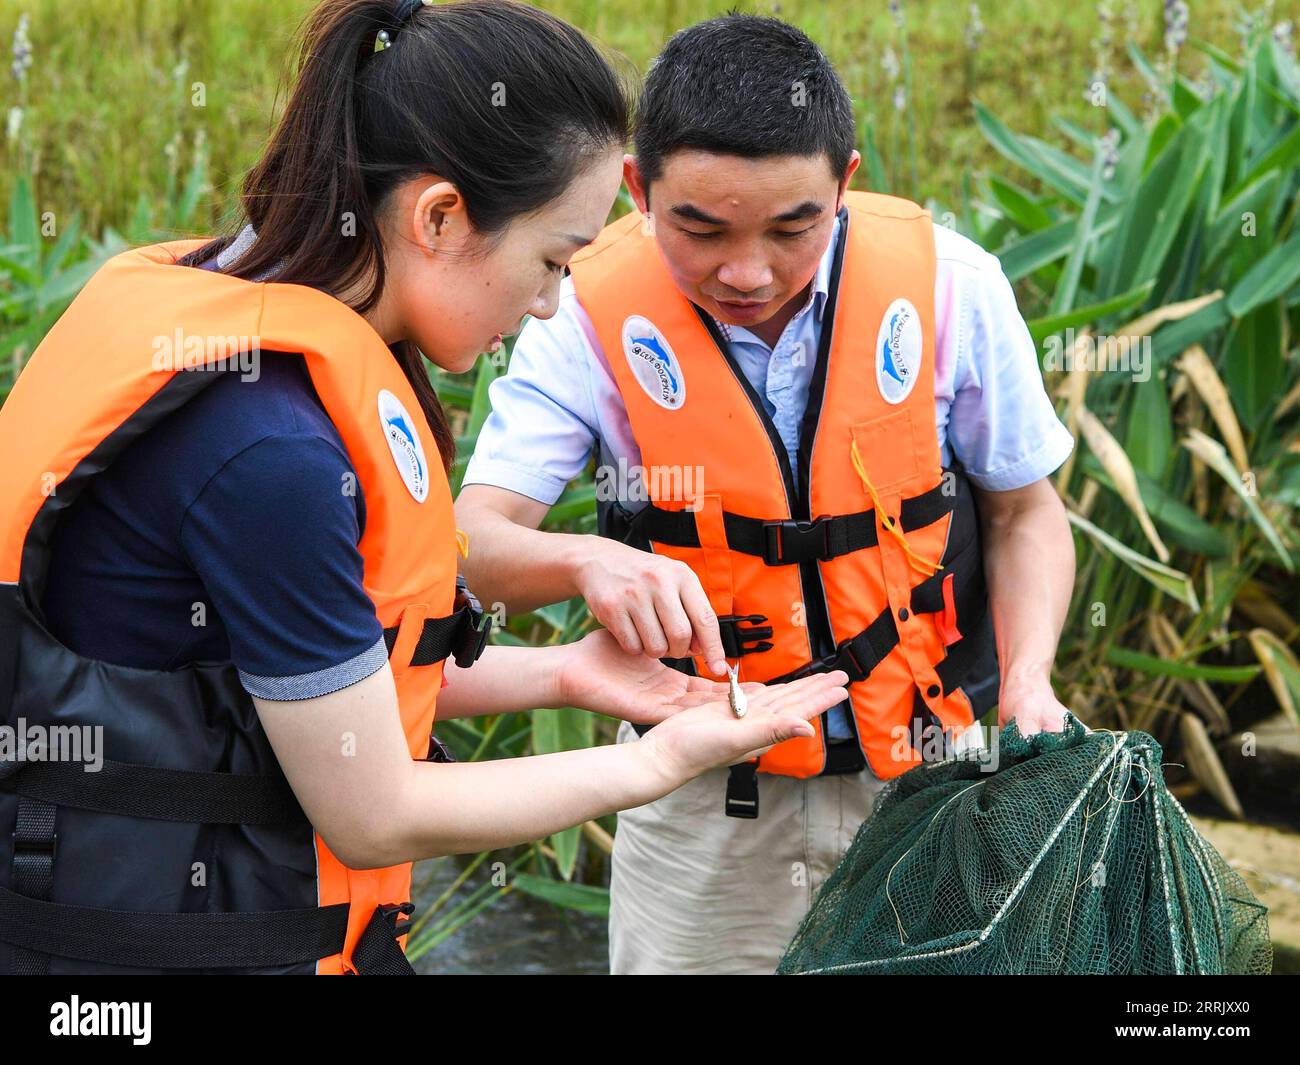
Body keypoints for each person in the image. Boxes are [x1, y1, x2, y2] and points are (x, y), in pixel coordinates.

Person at [0, 0, 849, 975]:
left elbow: (310, 681)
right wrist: (653, 764)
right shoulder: (267, 448)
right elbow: (373, 812)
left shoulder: (209, 303)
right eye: (552, 260)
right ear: (439, 215)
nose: (548, 306)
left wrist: (568, 674)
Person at [454, 13, 1079, 973]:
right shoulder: (579, 307)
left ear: (847, 183)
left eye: (794, 228)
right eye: (699, 228)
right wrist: (587, 557)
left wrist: (1030, 679)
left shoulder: (954, 287)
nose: (747, 272)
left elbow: (1025, 512)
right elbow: (473, 541)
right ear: (637, 189)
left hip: (934, 784)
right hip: (705, 798)